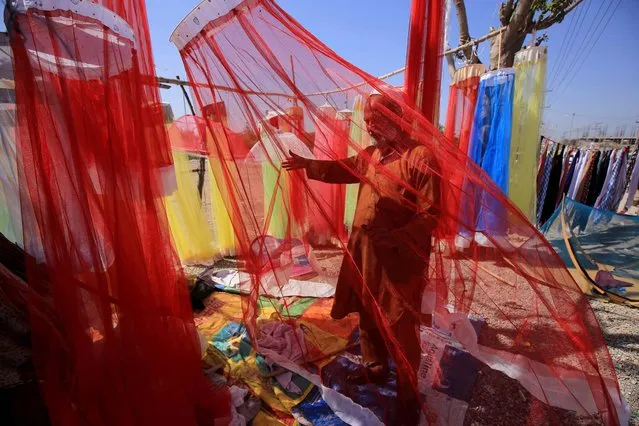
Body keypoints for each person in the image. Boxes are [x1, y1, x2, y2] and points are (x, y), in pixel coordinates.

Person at [283, 93, 439, 425]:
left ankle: (409, 396)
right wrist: (307, 164)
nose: (370, 127)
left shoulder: (419, 157)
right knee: (367, 309)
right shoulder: (372, 156)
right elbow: (341, 169)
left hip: (399, 261)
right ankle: (376, 366)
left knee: (401, 323)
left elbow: (430, 215)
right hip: (364, 251)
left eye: (377, 120)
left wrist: (397, 237)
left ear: (397, 120)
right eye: (367, 122)